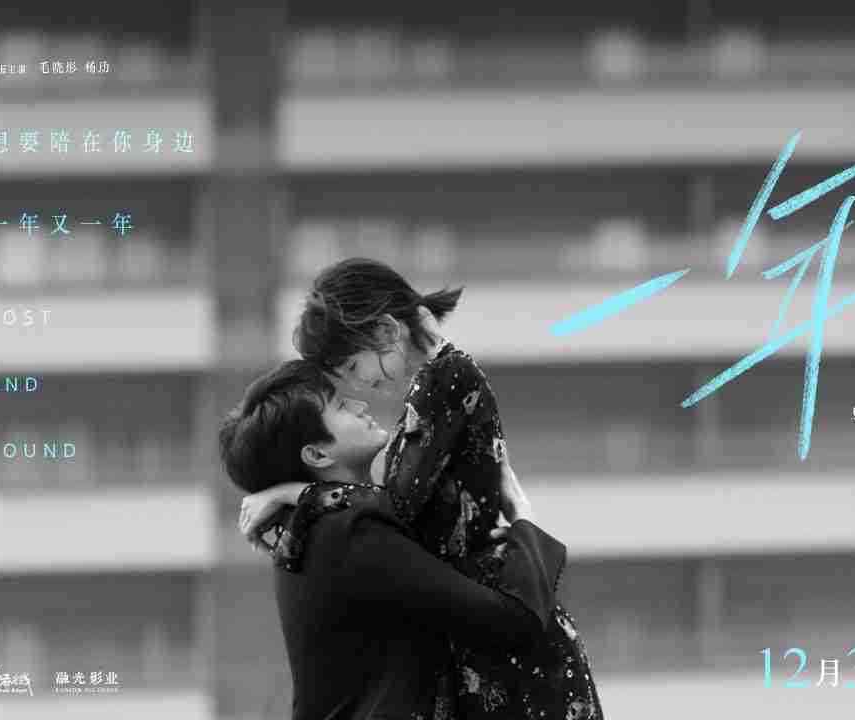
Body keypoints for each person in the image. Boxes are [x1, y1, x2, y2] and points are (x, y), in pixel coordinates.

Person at [242, 258, 603, 720]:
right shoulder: (429, 389)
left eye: (352, 365)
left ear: (387, 332)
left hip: (511, 632)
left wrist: (298, 494)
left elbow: (394, 508)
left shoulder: (446, 379)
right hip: (488, 621)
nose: (359, 386)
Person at [219, 359, 567, 720]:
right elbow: (514, 622)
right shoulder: (347, 531)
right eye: (341, 406)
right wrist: (522, 515)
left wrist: (296, 492)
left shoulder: (316, 526)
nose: (360, 405)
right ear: (317, 454)